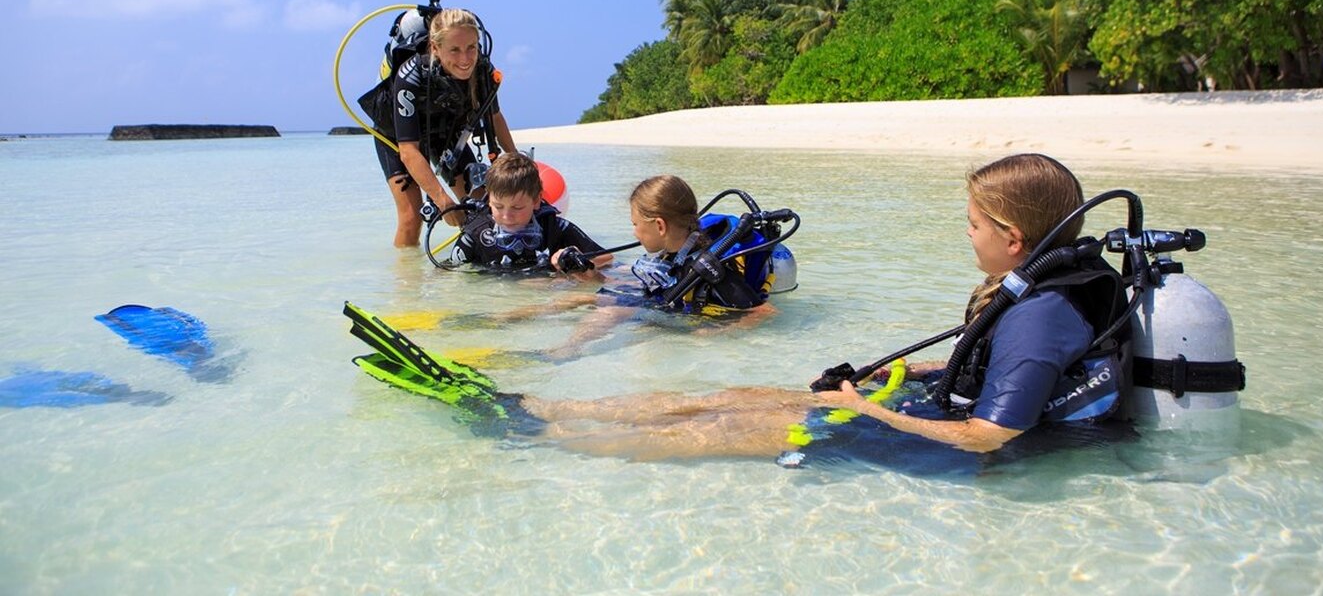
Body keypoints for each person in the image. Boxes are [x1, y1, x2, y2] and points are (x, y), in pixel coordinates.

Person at [347, 153, 1127, 467]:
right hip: (918, 399)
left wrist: (869, 410)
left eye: (973, 225)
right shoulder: (1036, 294)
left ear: (1014, 237)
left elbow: (989, 436)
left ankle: (544, 440)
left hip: (936, 441)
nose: (966, 235)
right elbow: (988, 374)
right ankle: (537, 407)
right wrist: (903, 369)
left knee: (719, 430)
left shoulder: (1039, 315)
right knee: (725, 395)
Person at [491, 174, 778, 359]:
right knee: (587, 294)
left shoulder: (709, 267)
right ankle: (505, 318)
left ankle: (566, 351)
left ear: (660, 226)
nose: (634, 234)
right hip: (668, 303)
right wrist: (591, 275)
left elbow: (762, 312)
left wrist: (714, 334)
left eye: (636, 226)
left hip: (687, 314)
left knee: (612, 306)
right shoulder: (674, 252)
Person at [362, 8, 518, 247]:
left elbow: (495, 118)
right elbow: (409, 151)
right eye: (454, 50)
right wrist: (442, 200)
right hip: (397, 138)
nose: (465, 59)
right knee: (411, 217)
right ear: (435, 48)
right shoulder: (411, 75)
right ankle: (407, 280)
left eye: (471, 48)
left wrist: (518, 162)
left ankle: (481, 271)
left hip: (446, 134)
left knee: (485, 207)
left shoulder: (483, 70)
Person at [449, 153, 611, 274]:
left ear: (536, 201)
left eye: (517, 208)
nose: (506, 216)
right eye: (498, 207)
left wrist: (575, 258)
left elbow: (607, 258)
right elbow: (446, 276)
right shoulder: (476, 235)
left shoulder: (553, 227)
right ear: (489, 200)